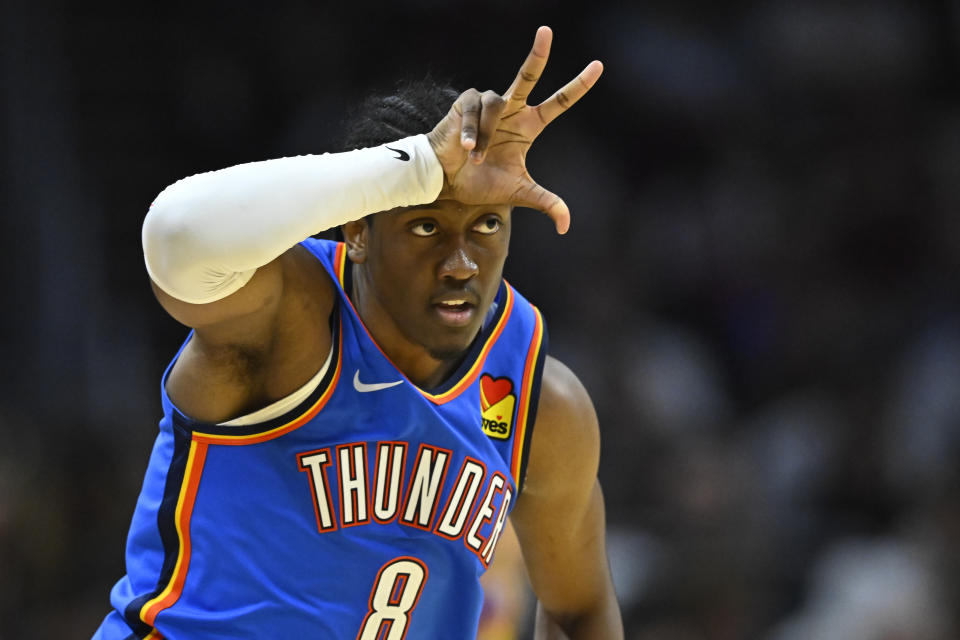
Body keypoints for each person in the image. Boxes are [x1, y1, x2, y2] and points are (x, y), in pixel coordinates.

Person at [94, 26, 623, 639]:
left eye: (486, 225)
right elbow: (175, 236)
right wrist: (419, 166)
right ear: (359, 234)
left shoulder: (539, 400)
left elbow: (581, 607)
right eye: (426, 227)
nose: (461, 263)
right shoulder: (290, 318)